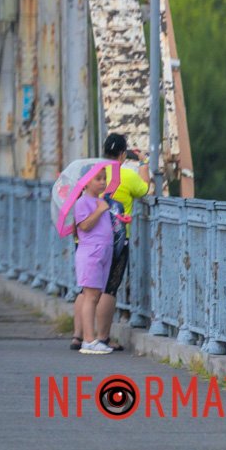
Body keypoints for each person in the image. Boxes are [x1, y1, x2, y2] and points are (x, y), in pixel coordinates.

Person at [72, 133, 151, 351]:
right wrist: (143, 163)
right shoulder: (123, 175)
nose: (102, 182)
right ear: (123, 154)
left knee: (86, 290)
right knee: (108, 289)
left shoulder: (91, 172)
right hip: (114, 240)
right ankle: (101, 337)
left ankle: (78, 335)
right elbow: (145, 189)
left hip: (84, 241)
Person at [73, 167, 117, 355]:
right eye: (97, 179)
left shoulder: (101, 201)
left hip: (103, 252)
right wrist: (99, 210)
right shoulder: (82, 202)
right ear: (86, 182)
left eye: (104, 178)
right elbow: (84, 226)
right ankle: (89, 339)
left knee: (96, 296)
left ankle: (91, 338)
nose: (102, 182)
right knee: (90, 296)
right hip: (91, 253)